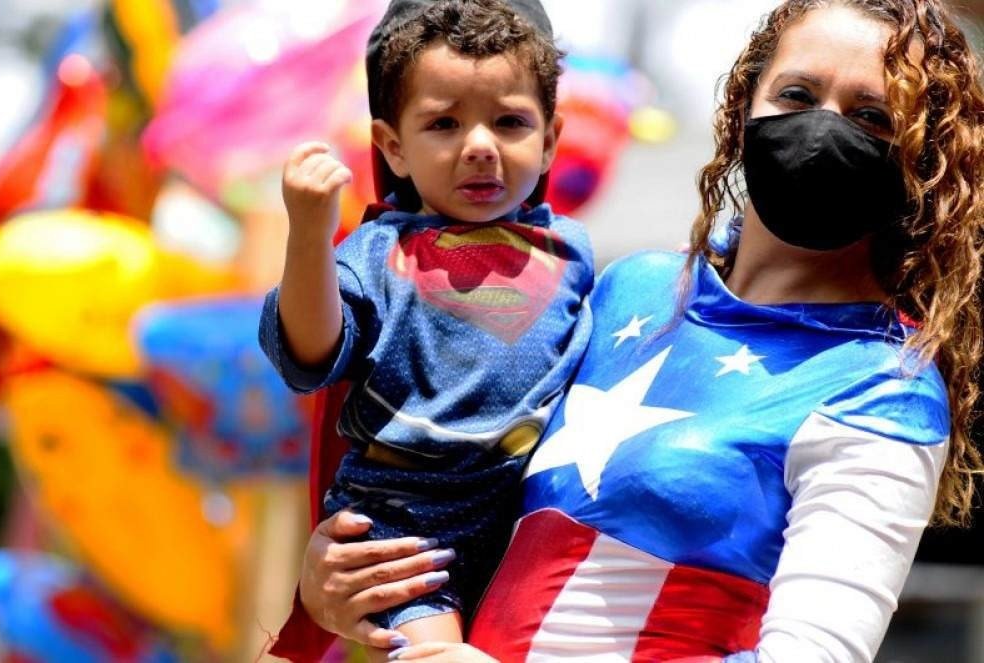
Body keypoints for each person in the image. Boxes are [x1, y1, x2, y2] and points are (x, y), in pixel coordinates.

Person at [280, 0, 984, 661]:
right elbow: (467, 484)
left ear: (921, 161)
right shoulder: (630, 285)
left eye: (871, 118)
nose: (823, 128)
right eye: (796, 97)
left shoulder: (885, 388)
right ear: (742, 111)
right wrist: (340, 588)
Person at [257, 0, 593, 656]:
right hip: (405, 519)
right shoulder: (381, 253)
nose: (479, 145)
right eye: (443, 122)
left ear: (551, 137)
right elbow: (311, 351)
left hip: (525, 518)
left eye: (510, 122)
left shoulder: (570, 251)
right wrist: (309, 234)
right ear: (393, 147)